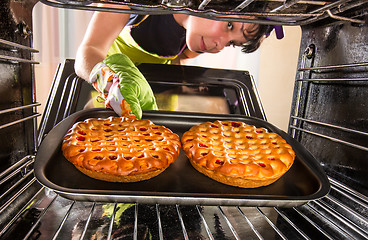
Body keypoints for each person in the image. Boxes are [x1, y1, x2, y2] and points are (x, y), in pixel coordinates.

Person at [75, 4, 271, 119]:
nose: (220, 45)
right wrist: (110, 84)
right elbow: (88, 50)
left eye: (231, 44)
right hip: (105, 88)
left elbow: (181, 58)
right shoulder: (136, 4)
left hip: (156, 95)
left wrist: (184, 86)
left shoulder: (199, 39)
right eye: (229, 25)